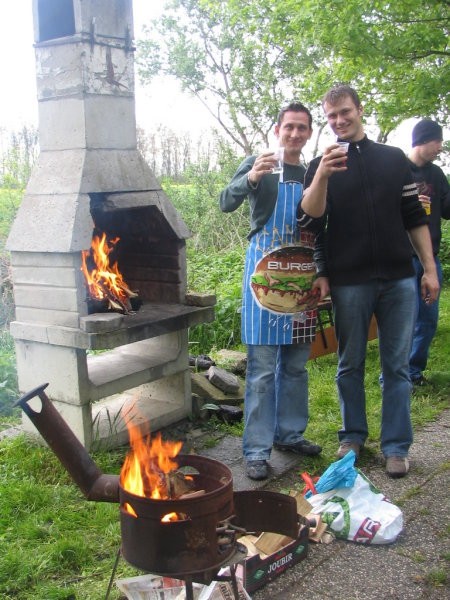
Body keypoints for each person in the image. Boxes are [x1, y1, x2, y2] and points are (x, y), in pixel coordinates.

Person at [297, 84, 440, 478]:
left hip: (398, 279)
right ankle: (353, 436)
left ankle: (396, 446)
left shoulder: (394, 160)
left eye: (345, 112)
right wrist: (322, 175)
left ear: (360, 110)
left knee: (396, 366)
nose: (339, 121)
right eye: (331, 117)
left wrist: (428, 269)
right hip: (349, 282)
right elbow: (310, 220)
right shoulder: (320, 163)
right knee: (350, 363)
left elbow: (415, 216)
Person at [219, 102, 324, 481]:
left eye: (302, 128)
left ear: (310, 133)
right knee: (262, 370)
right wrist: (248, 180)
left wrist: (321, 273)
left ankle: (289, 434)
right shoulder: (259, 162)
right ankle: (257, 450)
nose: (295, 134)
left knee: (295, 367)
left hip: (301, 281)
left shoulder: (314, 171)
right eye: (289, 127)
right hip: (264, 280)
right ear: (277, 129)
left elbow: (322, 226)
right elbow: (225, 202)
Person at [407, 119, 450, 386]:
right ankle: (395, 374)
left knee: (428, 320)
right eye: (438, 142)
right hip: (401, 258)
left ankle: (413, 371)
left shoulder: (436, 175)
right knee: (403, 321)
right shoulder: (398, 169)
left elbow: (447, 211)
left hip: (430, 259)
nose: (440, 148)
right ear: (424, 139)